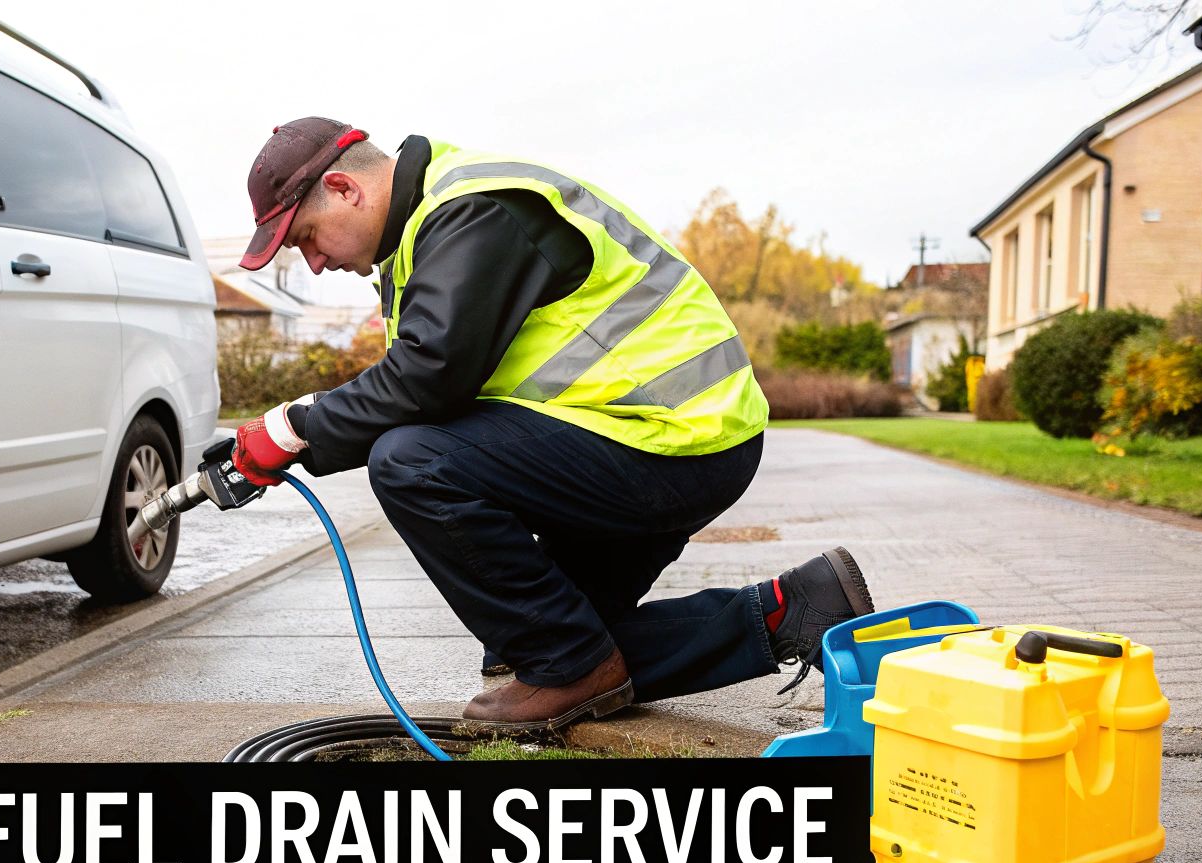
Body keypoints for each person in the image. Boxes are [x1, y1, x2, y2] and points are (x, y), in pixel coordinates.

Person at [229, 118, 874, 730]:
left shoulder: (472, 211)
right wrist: (290, 440)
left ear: (345, 188)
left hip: (666, 441)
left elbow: (427, 382)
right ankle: (794, 609)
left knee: (411, 463)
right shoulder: (427, 236)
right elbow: (423, 390)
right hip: (652, 438)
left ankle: (571, 666)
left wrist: (292, 430)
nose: (313, 263)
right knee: (537, 652)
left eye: (307, 237)